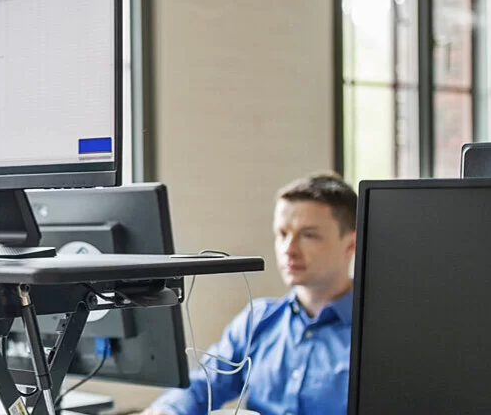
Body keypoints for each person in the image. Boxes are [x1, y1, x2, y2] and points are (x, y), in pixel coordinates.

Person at [144, 173, 357, 415]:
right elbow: (204, 384)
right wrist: (165, 410)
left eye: (309, 235)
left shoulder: (377, 335)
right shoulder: (258, 319)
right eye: (283, 234)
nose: (289, 249)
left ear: (351, 244)